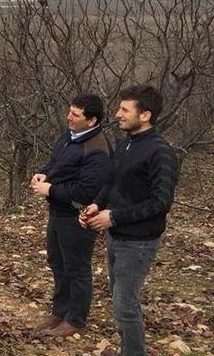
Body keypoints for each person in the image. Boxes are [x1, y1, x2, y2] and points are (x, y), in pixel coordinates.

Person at [79, 85, 178, 356]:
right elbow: (112, 182)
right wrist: (97, 204)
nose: (117, 114)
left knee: (124, 305)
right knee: (120, 302)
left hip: (139, 242)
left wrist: (113, 216)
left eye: (124, 109)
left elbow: (161, 203)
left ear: (145, 115)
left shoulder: (161, 153)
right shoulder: (125, 144)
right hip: (117, 236)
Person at [30, 94, 112, 336]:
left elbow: (88, 190)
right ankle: (60, 309)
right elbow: (56, 164)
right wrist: (44, 174)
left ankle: (75, 320)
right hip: (57, 212)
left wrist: (51, 189)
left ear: (91, 120)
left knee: (76, 268)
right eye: (69, 112)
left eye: (75, 115)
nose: (69, 117)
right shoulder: (69, 137)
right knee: (57, 262)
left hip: (77, 217)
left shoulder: (96, 149)